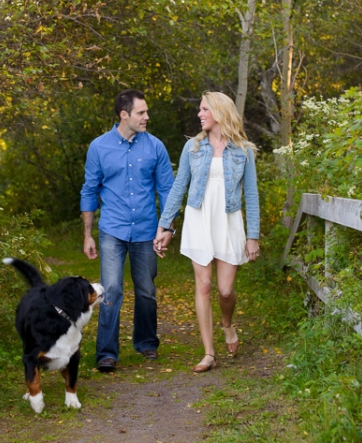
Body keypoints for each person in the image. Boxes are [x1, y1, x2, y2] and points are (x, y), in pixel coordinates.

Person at [154, 91, 259, 373]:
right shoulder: (193, 148)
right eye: (200, 110)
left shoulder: (243, 150)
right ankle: (209, 353)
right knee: (204, 286)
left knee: (225, 291)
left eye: (203, 110)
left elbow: (251, 194)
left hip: (228, 223)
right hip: (198, 219)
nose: (199, 114)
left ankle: (227, 326)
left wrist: (253, 236)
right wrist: (165, 225)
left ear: (219, 112)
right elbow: (178, 188)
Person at [80, 89, 175, 372]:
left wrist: (167, 227)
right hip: (112, 229)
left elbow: (167, 190)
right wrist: (87, 235)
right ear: (125, 115)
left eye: (146, 112)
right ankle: (106, 353)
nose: (147, 117)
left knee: (146, 290)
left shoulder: (155, 146)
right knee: (110, 290)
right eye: (141, 113)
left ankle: (146, 342)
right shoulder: (99, 147)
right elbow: (89, 190)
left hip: (147, 230)